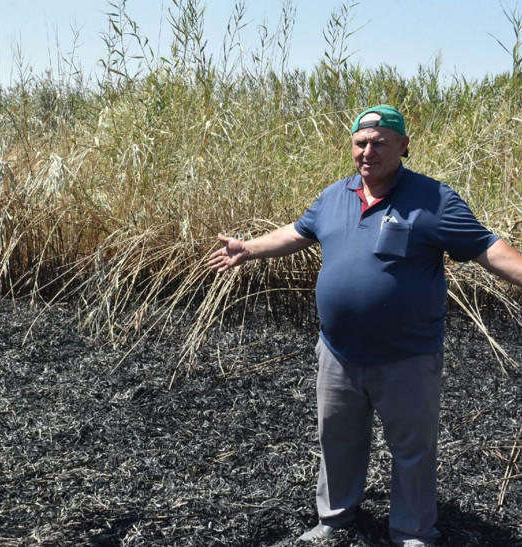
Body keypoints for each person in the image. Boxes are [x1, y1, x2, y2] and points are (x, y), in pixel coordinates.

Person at [208, 105, 522, 546]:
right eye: (361, 143)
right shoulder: (334, 196)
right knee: (337, 441)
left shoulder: (435, 200)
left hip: (407, 356)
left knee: (412, 450)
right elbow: (299, 231)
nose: (368, 152)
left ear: (403, 146)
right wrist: (249, 248)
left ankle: (412, 532)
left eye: (380, 143)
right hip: (338, 352)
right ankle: (334, 520)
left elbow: (488, 248)